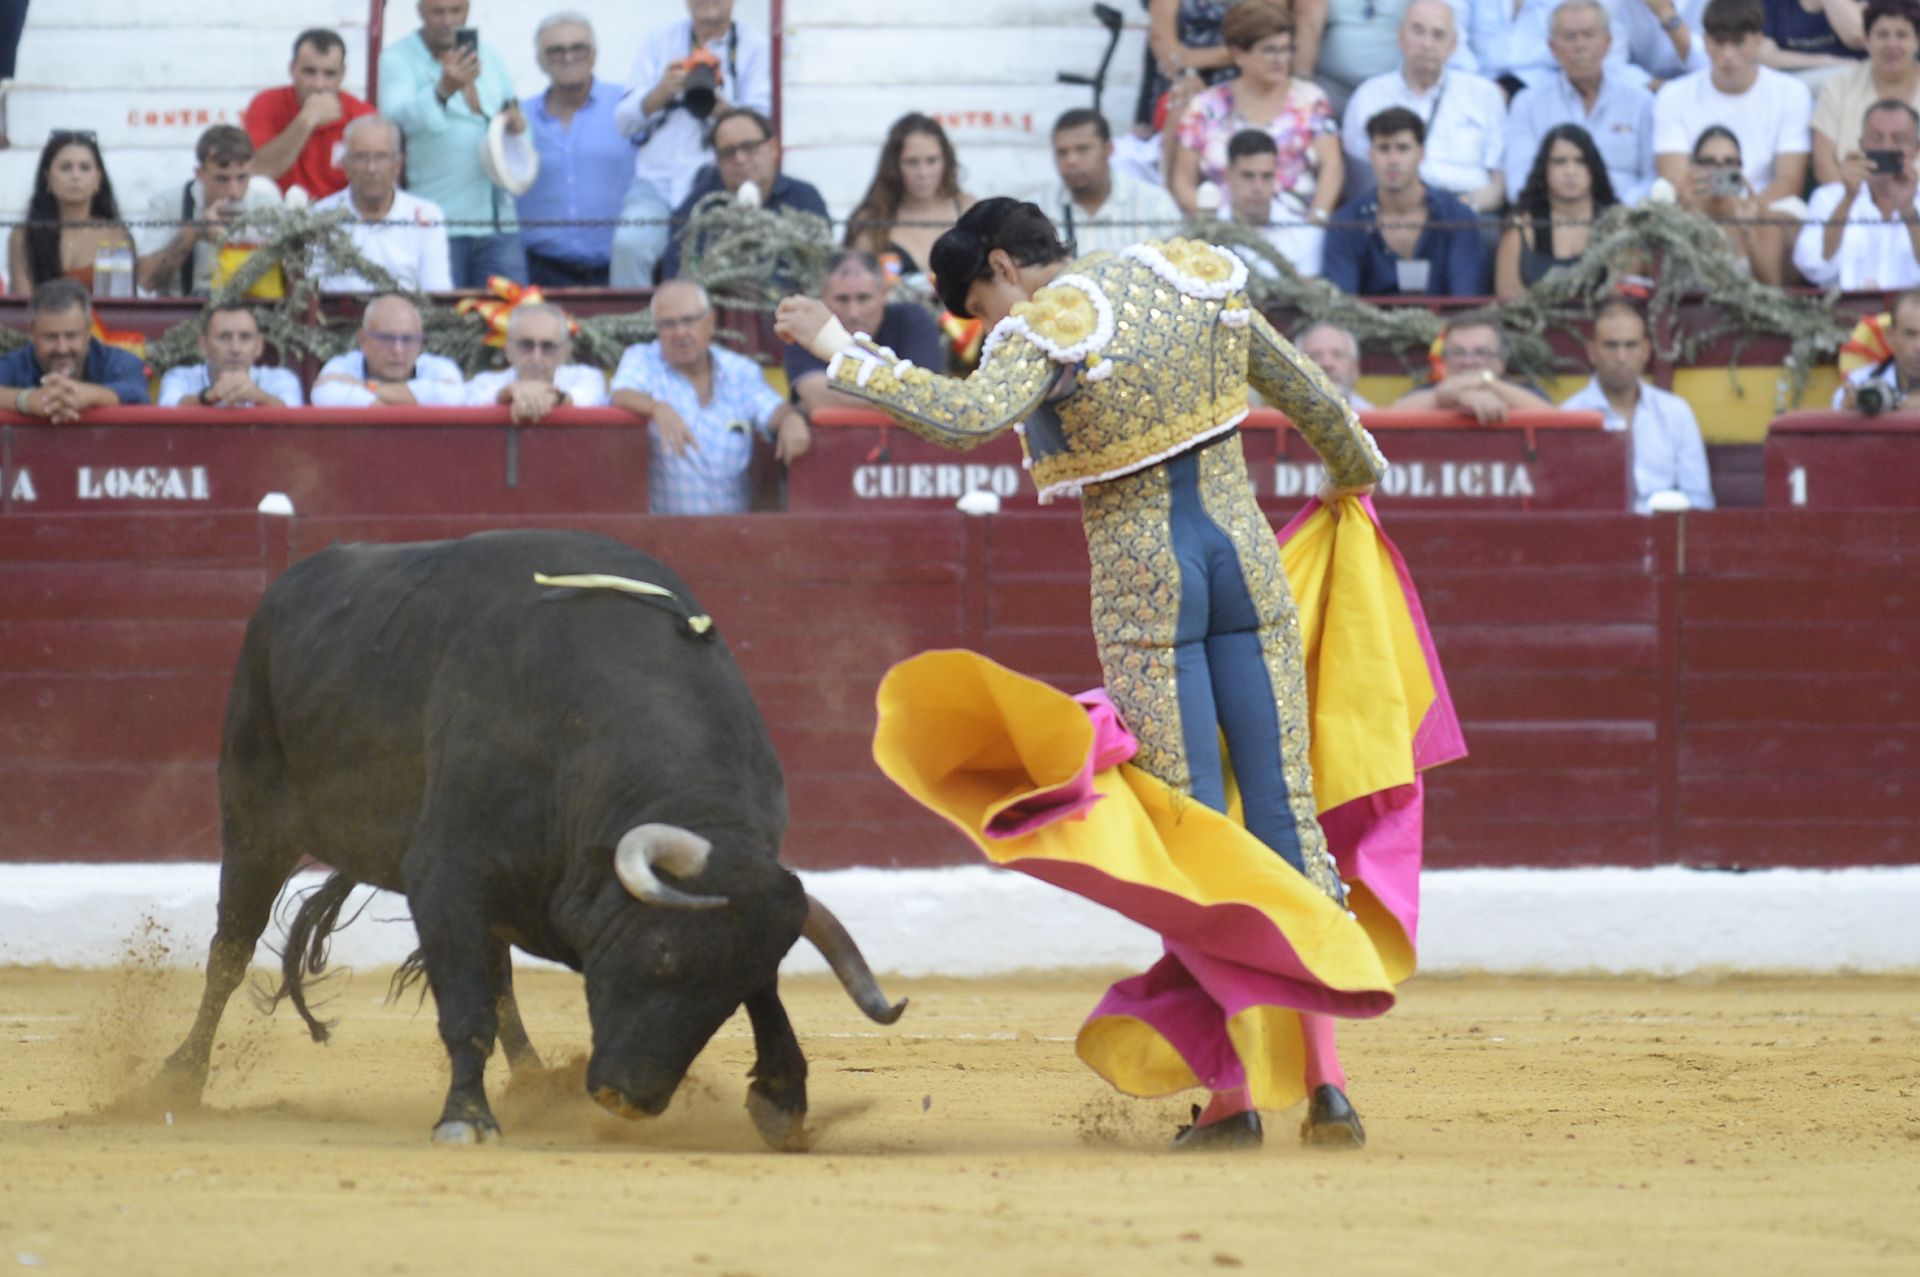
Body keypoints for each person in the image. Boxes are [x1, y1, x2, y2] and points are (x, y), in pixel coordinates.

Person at [773, 198, 1391, 1151]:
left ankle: (1231, 1098)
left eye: (979, 304)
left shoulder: (1050, 323)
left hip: (1151, 587)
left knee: (1194, 838)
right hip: (1247, 562)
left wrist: (841, 348)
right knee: (1282, 815)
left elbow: (965, 416)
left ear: (1003, 268)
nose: (986, 326)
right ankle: (1328, 1087)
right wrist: (1351, 475)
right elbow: (1312, 396)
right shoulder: (1192, 274)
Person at [611, 279, 811, 514]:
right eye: (668, 324)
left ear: (710, 322)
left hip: (734, 537)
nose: (679, 333)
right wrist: (657, 408)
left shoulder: (739, 372)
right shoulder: (643, 359)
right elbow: (621, 393)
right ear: (656, 329)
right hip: (663, 537)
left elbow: (773, 409)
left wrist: (790, 419)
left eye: (688, 320)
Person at [612, 0, 773, 288]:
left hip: (718, 183)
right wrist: (662, 92)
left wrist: (714, 101)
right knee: (629, 246)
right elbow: (623, 122)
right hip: (657, 181)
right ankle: (629, 330)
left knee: (715, 261)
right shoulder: (659, 40)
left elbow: (761, 122)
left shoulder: (754, 47)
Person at [378, 0, 527, 288]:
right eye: (438, 11)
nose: (448, 20)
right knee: (444, 323)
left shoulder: (491, 57)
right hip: (439, 221)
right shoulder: (397, 58)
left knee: (512, 319)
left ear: (468, 9)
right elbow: (394, 120)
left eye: (456, 10)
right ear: (420, 11)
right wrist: (443, 89)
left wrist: (518, 126)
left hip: (499, 221)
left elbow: (516, 121)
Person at [1168, 1, 1344, 225]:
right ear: (1239, 54)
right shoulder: (1205, 106)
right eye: (1269, 50)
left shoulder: (1311, 100)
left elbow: (1332, 167)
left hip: (1296, 229)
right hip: (1223, 231)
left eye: (1285, 49)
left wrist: (1317, 217)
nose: (1280, 60)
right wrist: (1217, 226)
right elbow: (1182, 181)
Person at [1341, 0, 1508, 211]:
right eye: (1418, 31)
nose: (1427, 44)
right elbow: (1359, 178)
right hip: (1392, 212)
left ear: (1453, 45)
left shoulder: (1484, 95)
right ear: (1401, 37)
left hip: (1466, 214)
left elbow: (1498, 182)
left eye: (1438, 35)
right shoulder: (1369, 96)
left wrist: (1463, 209)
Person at [1652, 0, 1814, 208]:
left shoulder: (1792, 93)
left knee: (1791, 210)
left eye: (1738, 43)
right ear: (1706, 42)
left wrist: (1745, 214)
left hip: (1764, 211)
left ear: (1758, 41)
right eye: (1720, 42)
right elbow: (1675, 181)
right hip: (1697, 209)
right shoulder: (1673, 95)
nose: (1728, 55)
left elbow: (1790, 181)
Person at [518, 12, 637, 288]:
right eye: (556, 50)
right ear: (540, 61)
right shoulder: (519, 119)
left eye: (578, 48)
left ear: (594, 55)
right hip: (541, 273)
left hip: (618, 273)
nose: (568, 57)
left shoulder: (628, 107)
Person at [1562, 299, 1716, 511]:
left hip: (1666, 535)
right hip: (1599, 536)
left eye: (1631, 345)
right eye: (1611, 346)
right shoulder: (1570, 416)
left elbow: (1699, 501)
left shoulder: (1675, 412)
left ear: (1645, 351)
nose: (1621, 357)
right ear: (1591, 351)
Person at [1323, 107, 1490, 296]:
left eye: (1403, 148)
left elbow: (1466, 300)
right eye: (1384, 148)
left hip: (1448, 325)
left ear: (1421, 154)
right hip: (1366, 325)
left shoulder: (1458, 217)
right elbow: (1341, 307)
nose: (1393, 160)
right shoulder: (1346, 222)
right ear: (1371, 155)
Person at [1505, 0, 1658, 204]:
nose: (1580, 45)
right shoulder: (1528, 104)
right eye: (1570, 37)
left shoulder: (1640, 101)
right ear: (1553, 47)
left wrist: (1619, 210)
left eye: (1588, 35)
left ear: (1608, 43)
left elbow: (1653, 177)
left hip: (1626, 222)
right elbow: (1518, 181)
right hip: (1555, 222)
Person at [662, 107, 829, 278]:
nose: (740, 159)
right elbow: (677, 274)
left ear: (773, 148)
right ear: (717, 161)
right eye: (728, 152)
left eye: (749, 147)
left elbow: (823, 266)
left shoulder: (804, 198)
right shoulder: (699, 207)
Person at [783, 250, 944, 415]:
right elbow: (816, 396)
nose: (854, 313)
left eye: (863, 298)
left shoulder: (912, 319)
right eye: (842, 299)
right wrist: (901, 397)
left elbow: (925, 395)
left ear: (884, 294)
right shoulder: (806, 328)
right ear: (823, 297)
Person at [133, 125, 284, 298]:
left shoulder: (269, 207)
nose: (234, 191)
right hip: (183, 315)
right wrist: (194, 232)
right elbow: (146, 280)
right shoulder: (168, 204)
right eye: (222, 179)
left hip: (251, 314)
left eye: (242, 177)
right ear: (199, 174)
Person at [310, 117, 454, 293]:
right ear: (345, 165)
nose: (371, 168)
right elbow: (310, 294)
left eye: (381, 157)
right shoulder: (319, 216)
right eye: (361, 157)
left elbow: (437, 293)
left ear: (397, 165)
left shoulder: (427, 216)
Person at [1794, 99, 1920, 288]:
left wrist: (1908, 209)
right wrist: (1848, 199)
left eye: (1898, 139)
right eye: (1877, 138)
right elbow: (1812, 266)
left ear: (1916, 148)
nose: (1886, 147)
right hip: (1844, 311)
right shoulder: (1829, 197)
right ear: (1862, 145)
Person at [243, 28, 376, 202]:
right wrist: (306, 120)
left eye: (329, 74)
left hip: (339, 217)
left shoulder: (362, 115)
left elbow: (373, 182)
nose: (319, 84)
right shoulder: (267, 103)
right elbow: (259, 170)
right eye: (309, 72)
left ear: (342, 74)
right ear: (292, 69)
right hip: (277, 215)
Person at [846, 114, 976, 284]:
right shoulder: (871, 221)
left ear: (946, 160)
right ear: (893, 166)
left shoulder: (968, 210)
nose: (923, 173)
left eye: (931, 160)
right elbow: (853, 288)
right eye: (912, 162)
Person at [1495, 124, 1621, 297]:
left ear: (1593, 168)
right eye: (1560, 162)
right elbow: (1508, 299)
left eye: (1580, 161)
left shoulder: (1618, 227)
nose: (1570, 171)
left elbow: (1622, 296)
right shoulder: (1521, 229)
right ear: (1544, 169)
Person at [1295, 0, 1480, 117]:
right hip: (1333, 84)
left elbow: (1435, 24)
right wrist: (1301, 89)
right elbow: (1308, 27)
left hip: (1394, 86)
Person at [1042, 108, 1186, 256]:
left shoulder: (1155, 203)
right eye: (1062, 152)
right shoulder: (1041, 209)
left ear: (1109, 149)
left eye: (1082, 149)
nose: (1071, 161)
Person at [6, 131, 135, 295]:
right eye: (66, 167)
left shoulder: (117, 235)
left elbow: (122, 305)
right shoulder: (23, 235)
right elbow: (23, 305)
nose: (75, 176)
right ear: (47, 177)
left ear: (98, 178)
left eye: (85, 168)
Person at [0, 279, 150, 420]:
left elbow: (136, 393)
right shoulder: (15, 364)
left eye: (71, 336)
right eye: (51, 337)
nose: (62, 348)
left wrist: (89, 395)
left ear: (88, 331)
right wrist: (26, 400)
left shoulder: (119, 361)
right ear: (31, 333)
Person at [1811, 0, 1920, 185]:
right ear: (1867, 41)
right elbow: (1824, 164)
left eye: (1902, 35)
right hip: (1850, 200)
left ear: (1917, 41)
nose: (1891, 44)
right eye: (1882, 35)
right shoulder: (1839, 87)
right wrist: (1850, 198)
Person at [1677, 125, 1791, 281]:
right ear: (1694, 166)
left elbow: (1771, 286)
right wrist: (1683, 210)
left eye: (1729, 163)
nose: (1719, 171)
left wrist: (1748, 233)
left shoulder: (1761, 218)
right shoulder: (1678, 214)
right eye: (1709, 162)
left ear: (1740, 168)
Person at [310, 294, 466, 407]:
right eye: (386, 338)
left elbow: (449, 396)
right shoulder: (342, 365)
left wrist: (365, 386)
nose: (398, 350)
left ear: (420, 343)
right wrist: (411, 403)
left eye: (408, 339)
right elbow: (325, 394)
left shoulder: (438, 366)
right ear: (363, 340)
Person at [1392, 312, 1552, 420]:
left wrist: (1488, 383)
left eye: (1481, 352)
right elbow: (1388, 421)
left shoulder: (1525, 392)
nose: (1468, 361)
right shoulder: (1425, 392)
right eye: (1458, 352)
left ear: (1501, 361)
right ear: (1444, 360)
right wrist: (1452, 395)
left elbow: (1554, 420)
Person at [464, 302, 608, 421]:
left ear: (565, 353)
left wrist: (554, 397)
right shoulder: (484, 383)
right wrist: (507, 394)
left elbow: (587, 397)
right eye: (526, 345)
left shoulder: (587, 378)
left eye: (548, 347)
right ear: (508, 351)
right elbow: (471, 400)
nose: (536, 357)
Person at [1218, 129, 1328, 278]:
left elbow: (1308, 295)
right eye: (1248, 176)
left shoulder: (1304, 234)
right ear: (1228, 175)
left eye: (1266, 176)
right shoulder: (1204, 234)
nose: (1258, 187)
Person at [1464, 0, 1641, 92]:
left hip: (1556, 89)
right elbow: (1451, 39)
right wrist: (1481, 89)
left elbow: (1606, 53)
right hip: (1478, 86)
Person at [157, 303, 304, 408]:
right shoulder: (179, 377)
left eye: (245, 337)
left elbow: (294, 416)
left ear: (259, 346)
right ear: (203, 346)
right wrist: (207, 397)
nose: (235, 348)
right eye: (224, 337)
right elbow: (166, 409)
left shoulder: (281, 378)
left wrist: (258, 396)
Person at [1833, 284, 1920, 406]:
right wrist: (1850, 419)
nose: (1919, 346)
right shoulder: (1859, 385)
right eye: (1910, 334)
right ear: (1890, 336)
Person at [1759, 0, 1867, 75]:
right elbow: (1765, 56)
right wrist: (1826, 62)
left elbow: (1858, 38)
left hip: (1855, 81)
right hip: (1796, 81)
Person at [1295, 319, 1376, 408]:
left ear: (1355, 369)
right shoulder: (1279, 418)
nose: (1327, 363)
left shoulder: (1374, 418)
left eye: (1338, 355)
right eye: (1315, 356)